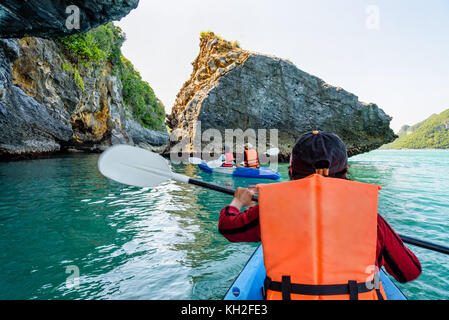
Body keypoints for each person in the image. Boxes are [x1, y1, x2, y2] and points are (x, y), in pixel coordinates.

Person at [218, 131, 421, 300]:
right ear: (346, 170)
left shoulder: (269, 210)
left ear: (291, 170)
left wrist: (238, 201)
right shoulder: (371, 219)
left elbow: (228, 227)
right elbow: (409, 271)